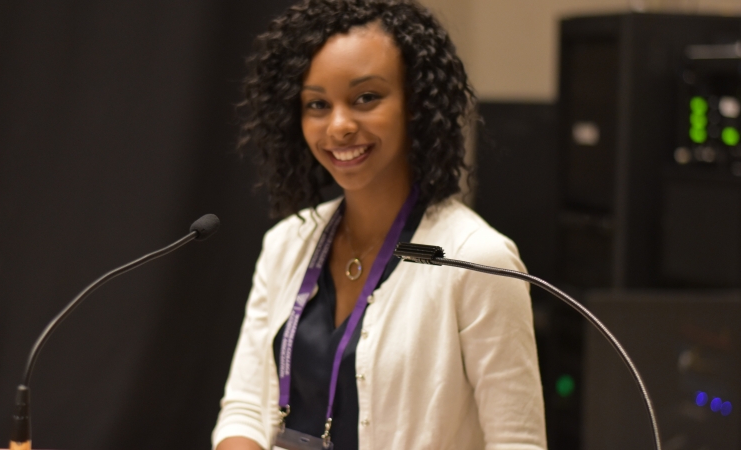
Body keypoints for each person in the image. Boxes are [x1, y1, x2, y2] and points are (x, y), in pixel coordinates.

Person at [213, 0, 546, 449]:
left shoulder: (475, 259)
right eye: (317, 104)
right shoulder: (285, 244)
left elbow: (517, 442)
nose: (339, 126)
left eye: (366, 97)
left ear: (415, 103)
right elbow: (245, 409)